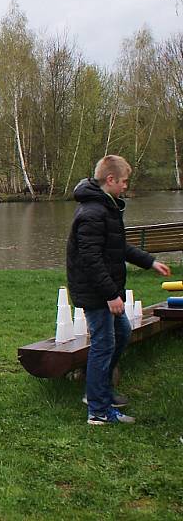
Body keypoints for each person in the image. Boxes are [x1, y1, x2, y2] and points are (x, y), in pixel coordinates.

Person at [66, 155, 171, 426]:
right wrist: (111, 295)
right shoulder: (92, 213)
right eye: (124, 181)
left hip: (105, 289)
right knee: (104, 343)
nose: (126, 186)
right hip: (96, 292)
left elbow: (117, 248)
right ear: (110, 180)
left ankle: (97, 392)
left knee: (122, 333)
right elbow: (91, 259)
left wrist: (150, 261)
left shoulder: (107, 207)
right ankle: (98, 411)